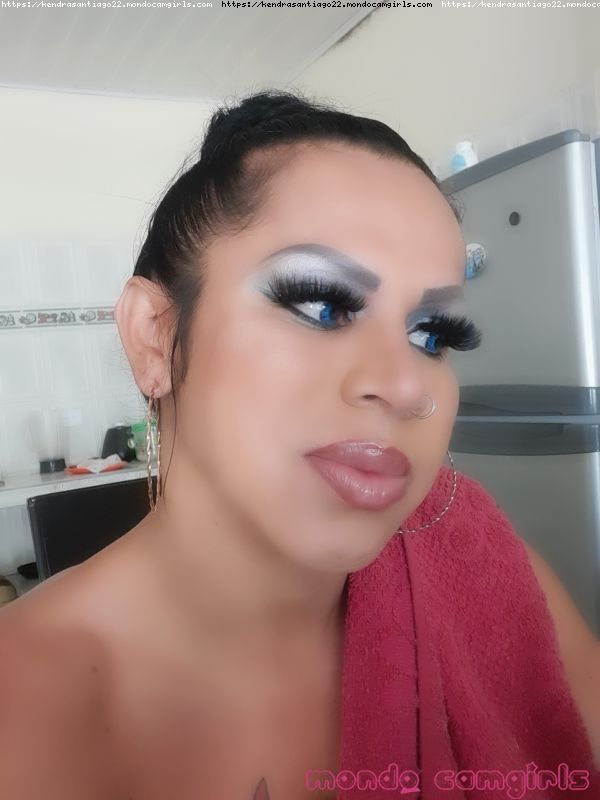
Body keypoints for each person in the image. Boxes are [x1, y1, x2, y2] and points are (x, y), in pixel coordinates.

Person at [0, 89, 599, 800]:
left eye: (432, 335)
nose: (405, 386)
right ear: (155, 337)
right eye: (322, 305)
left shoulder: (484, 569)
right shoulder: (23, 708)